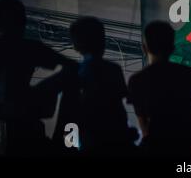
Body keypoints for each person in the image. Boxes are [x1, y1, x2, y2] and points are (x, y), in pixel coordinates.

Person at [128, 21, 191, 157]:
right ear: (172, 48)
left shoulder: (137, 80)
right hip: (188, 145)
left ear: (144, 48)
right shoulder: (187, 74)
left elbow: (144, 125)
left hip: (157, 147)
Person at [0, 0, 77, 156]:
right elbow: (71, 67)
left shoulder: (27, 48)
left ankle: (69, 144)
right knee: (72, 80)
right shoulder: (27, 48)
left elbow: (70, 67)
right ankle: (70, 144)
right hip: (22, 110)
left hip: (22, 111)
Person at [52, 17, 137, 155]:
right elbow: (119, 111)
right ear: (103, 42)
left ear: (75, 45)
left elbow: (66, 116)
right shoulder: (113, 70)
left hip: (91, 144)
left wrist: (66, 146)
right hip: (116, 145)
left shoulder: (74, 73)